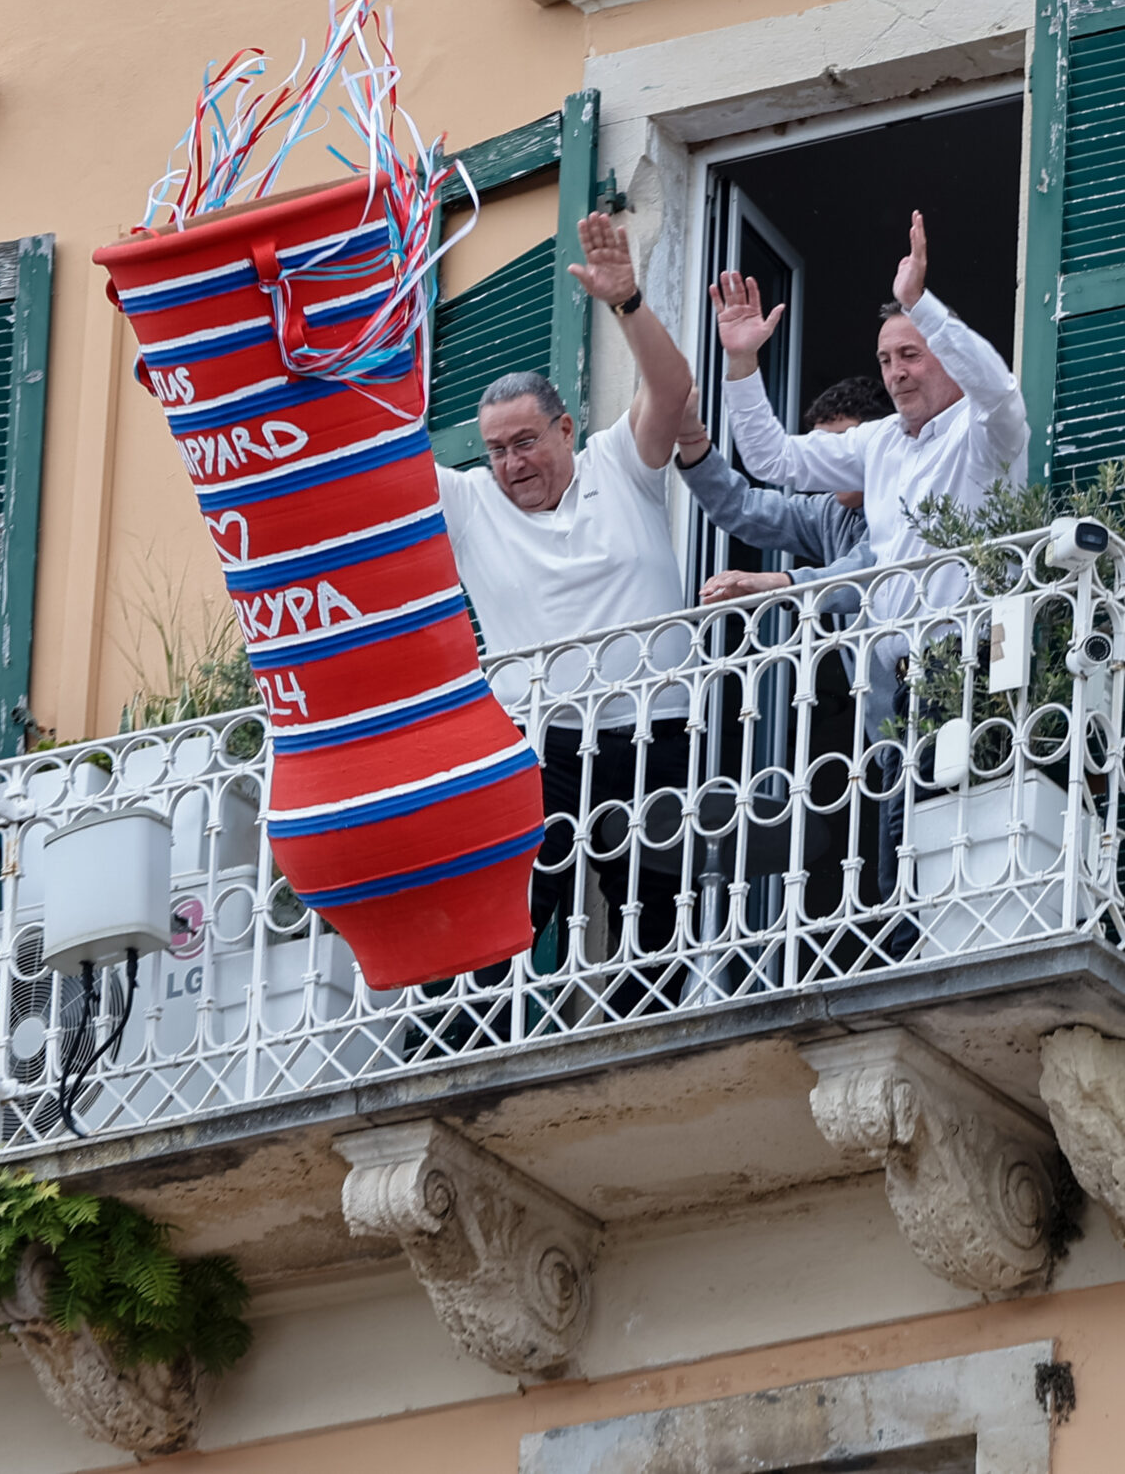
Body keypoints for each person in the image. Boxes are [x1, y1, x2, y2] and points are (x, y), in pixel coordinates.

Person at [435, 210, 699, 991]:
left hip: (658, 729)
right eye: (496, 448)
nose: (512, 463)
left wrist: (626, 301)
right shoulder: (472, 501)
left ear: (565, 428)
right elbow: (375, 457)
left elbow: (674, 387)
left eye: (525, 442)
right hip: (539, 741)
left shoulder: (620, 463)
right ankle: (451, 1053)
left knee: (654, 909)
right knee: (507, 911)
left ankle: (641, 1045)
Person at [715, 211, 1028, 594]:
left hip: (968, 650)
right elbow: (771, 458)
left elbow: (999, 391)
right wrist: (743, 359)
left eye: (910, 355)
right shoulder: (877, 441)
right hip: (889, 653)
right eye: (885, 360)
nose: (895, 372)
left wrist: (918, 303)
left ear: (949, 356)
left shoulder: (982, 432)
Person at [679, 374, 891, 608]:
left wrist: (781, 582)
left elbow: (871, 572)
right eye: (822, 447)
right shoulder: (831, 512)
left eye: (840, 443)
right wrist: (689, 432)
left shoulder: (908, 499)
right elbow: (743, 508)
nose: (829, 458)